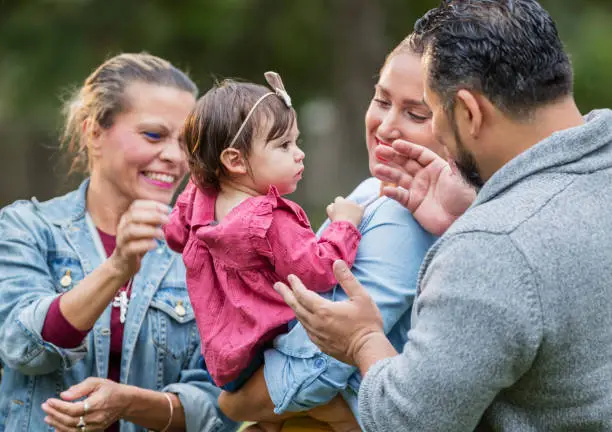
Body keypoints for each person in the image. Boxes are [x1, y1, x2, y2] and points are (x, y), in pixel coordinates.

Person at [275, 1, 612, 431]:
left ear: (470, 111)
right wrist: (474, 210)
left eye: (428, 112)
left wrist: (362, 340)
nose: (433, 132)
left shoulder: (493, 247)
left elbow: (410, 421)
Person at [217, 32, 446, 431]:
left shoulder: (403, 217)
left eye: (416, 114)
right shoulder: (375, 189)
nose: (386, 126)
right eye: (381, 100)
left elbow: (315, 372)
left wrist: (235, 403)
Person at [0, 53, 238, 432]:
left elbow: (218, 406)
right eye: (154, 135)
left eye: (187, 142)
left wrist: (128, 403)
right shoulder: (27, 228)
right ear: (93, 132)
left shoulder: (208, 249)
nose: (175, 157)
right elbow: (21, 346)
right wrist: (117, 268)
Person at [164, 72, 365, 432]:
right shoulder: (268, 221)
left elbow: (175, 233)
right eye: (284, 146)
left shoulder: (199, 199)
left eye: (296, 142)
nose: (299, 154)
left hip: (229, 361)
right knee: (337, 405)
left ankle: (269, 423)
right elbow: (319, 269)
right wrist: (344, 225)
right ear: (236, 161)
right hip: (271, 347)